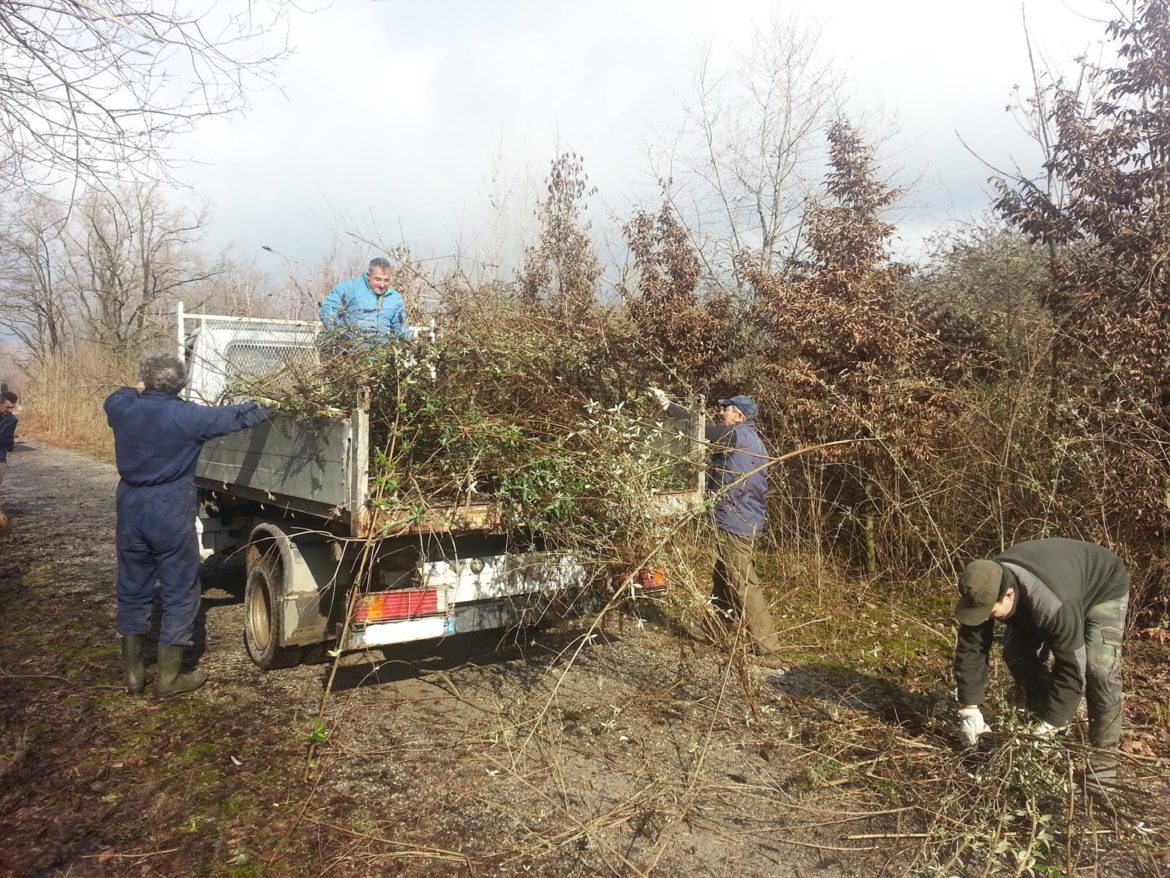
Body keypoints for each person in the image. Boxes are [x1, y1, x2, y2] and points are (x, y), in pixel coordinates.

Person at [105, 353, 271, 698]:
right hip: (169, 506)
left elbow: (116, 395)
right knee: (180, 589)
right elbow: (240, 416)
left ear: (146, 380)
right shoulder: (189, 417)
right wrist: (275, 405)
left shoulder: (122, 408)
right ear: (181, 384)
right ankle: (169, 679)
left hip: (131, 504)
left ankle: (133, 676)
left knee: (133, 587)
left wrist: (139, 388)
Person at [953, 537, 1129, 782]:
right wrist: (969, 708)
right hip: (1052, 586)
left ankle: (1103, 766)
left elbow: (1072, 667)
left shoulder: (1054, 604)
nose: (984, 619)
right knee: (1016, 653)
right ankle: (1042, 716)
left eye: (989, 613)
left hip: (1101, 586)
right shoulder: (984, 586)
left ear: (1009, 595)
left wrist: (1053, 724)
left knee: (1098, 671)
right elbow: (970, 649)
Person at [650, 388, 784, 667]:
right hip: (744, 519)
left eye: (726, 409)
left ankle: (768, 647)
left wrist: (667, 405)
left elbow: (699, 430)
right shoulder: (754, 441)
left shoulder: (736, 435)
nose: (721, 413)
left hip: (736, 520)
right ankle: (716, 628)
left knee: (743, 581)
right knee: (724, 574)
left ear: (739, 415)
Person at [320, 256, 410, 340]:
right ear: (369, 276)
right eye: (378, 279)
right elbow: (328, 308)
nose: (382, 285)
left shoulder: (395, 298)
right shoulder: (351, 288)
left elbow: (401, 326)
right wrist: (338, 335)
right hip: (351, 350)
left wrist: (407, 344)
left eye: (386, 280)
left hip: (382, 351)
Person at [0, 391, 19, 528]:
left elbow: (6, 441)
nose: (10, 410)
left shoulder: (12, 420)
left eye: (12, 408)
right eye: (7, 407)